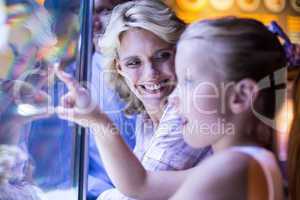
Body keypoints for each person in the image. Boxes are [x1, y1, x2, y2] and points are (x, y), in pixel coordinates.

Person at [55, 0, 211, 199]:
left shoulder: (186, 111)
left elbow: (139, 191)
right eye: (134, 62)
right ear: (119, 68)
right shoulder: (145, 119)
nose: (151, 73)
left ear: (181, 53)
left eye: (162, 56)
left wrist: (97, 121)